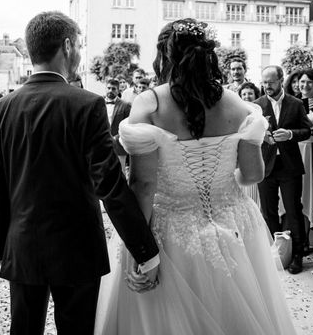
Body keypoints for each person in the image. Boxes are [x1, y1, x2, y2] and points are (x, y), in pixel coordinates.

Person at [95, 18, 296, 334]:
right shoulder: (236, 104)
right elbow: (253, 174)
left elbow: (144, 185)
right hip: (234, 225)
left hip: (171, 230)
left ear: (165, 56)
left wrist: (141, 250)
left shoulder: (151, 103)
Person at [0, 11, 159, 335]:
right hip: (77, 248)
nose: (80, 52)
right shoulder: (86, 106)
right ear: (66, 46)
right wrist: (145, 249)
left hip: (22, 246)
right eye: (79, 44)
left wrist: (5, 248)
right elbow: (109, 184)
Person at [255, 65, 312, 274]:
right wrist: (263, 136)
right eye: (264, 82)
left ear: (281, 80)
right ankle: (276, 254)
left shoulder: (295, 104)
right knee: (268, 212)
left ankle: (297, 255)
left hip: (289, 166)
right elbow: (249, 132)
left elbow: (306, 130)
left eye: (270, 82)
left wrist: (290, 134)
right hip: (266, 166)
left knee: (293, 211)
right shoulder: (256, 105)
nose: (266, 86)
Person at [105, 78, 131, 172]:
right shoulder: (98, 103)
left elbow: (128, 126)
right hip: (102, 145)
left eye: (113, 89)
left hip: (119, 145)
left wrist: (116, 138)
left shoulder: (126, 105)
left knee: (120, 173)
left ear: (118, 90)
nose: (110, 91)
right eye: (108, 88)